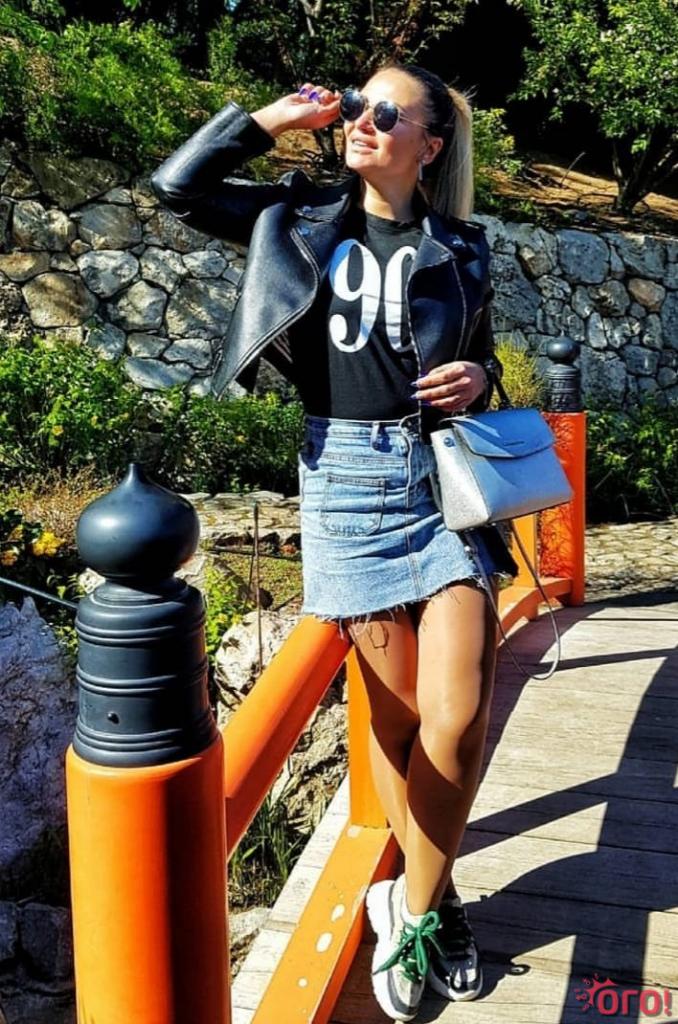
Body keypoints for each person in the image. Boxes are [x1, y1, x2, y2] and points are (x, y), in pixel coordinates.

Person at [151, 59, 519, 1022]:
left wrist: (480, 378)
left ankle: (412, 904)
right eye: (358, 104)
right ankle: (436, 902)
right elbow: (175, 188)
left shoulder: (462, 247)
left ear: (430, 144)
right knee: (398, 722)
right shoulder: (295, 217)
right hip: (345, 481)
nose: (362, 118)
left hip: (438, 481)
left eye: (387, 112)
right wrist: (269, 121)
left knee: (456, 717)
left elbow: (481, 359)